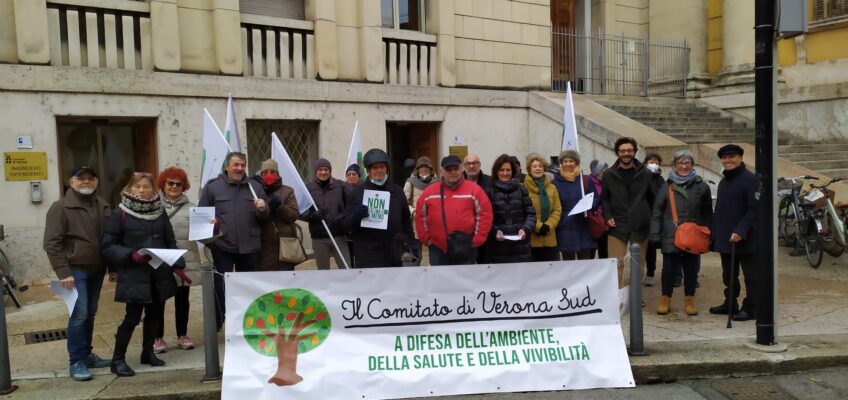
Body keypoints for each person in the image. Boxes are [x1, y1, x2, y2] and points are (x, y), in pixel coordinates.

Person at [101, 173, 186, 377]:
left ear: (153, 190)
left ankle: (147, 353)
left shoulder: (159, 211)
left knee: (155, 315)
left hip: (158, 272)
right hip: (134, 273)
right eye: (137, 187)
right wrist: (130, 254)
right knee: (132, 317)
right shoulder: (120, 212)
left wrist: (176, 260)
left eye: (145, 187)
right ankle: (117, 360)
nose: (141, 190)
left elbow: (169, 239)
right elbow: (108, 245)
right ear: (130, 189)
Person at [43, 166, 113, 381]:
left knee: (90, 312)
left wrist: (114, 267)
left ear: (97, 181)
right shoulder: (60, 207)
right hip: (75, 270)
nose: (86, 182)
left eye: (90, 178)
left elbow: (110, 239)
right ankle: (76, 361)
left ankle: (86, 353)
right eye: (80, 178)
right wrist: (64, 272)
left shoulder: (102, 204)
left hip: (97, 268)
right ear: (71, 183)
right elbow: (51, 243)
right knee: (79, 314)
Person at [198, 152, 269, 329]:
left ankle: (248, 323)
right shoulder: (213, 187)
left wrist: (263, 208)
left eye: (242, 165)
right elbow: (201, 216)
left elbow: (265, 216)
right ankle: (217, 322)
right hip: (223, 246)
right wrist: (210, 237)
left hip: (250, 246)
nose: (239, 168)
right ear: (227, 166)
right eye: (236, 165)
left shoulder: (255, 187)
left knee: (248, 287)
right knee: (221, 287)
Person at [649, 151, 713, 316]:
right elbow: (657, 213)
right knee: (668, 270)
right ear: (674, 166)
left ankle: (689, 301)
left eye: (687, 163)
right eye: (680, 163)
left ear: (692, 165)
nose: (684, 166)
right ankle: (665, 300)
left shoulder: (702, 187)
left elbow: (707, 214)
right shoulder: (666, 186)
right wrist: (655, 235)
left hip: (693, 236)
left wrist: (708, 234)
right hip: (671, 234)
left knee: (691, 270)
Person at [152, 167, 200, 354]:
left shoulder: (193, 209)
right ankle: (158, 338)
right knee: (159, 300)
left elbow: (205, 238)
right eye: (170, 183)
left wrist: (213, 229)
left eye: (178, 184)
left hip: (183, 261)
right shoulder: (153, 206)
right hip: (160, 261)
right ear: (163, 184)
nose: (173, 187)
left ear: (184, 186)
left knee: (182, 300)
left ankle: (182, 335)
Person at [341, 148, 415, 267]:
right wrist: (356, 216)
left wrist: (411, 244)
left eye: (382, 167)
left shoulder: (397, 191)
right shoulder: (358, 192)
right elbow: (344, 224)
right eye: (375, 168)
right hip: (367, 255)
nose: (379, 170)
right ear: (368, 171)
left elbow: (406, 220)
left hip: (393, 254)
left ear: (387, 169)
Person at [709, 144, 758, 321]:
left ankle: (752, 307)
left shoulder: (750, 179)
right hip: (726, 238)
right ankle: (730, 303)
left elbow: (754, 209)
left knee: (751, 276)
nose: (728, 160)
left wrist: (740, 230)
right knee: (729, 275)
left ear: (740, 158)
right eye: (725, 158)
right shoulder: (724, 181)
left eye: (732, 157)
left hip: (746, 238)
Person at [416, 155, 494, 265]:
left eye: (456, 169)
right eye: (449, 169)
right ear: (442, 171)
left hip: (466, 248)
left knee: (465, 280)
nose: (453, 172)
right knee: (440, 280)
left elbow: (485, 215)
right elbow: (420, 215)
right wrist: (426, 239)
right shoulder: (429, 192)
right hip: (437, 248)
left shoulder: (475, 190)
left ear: (462, 169)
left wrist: (477, 240)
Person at [602, 137, 654, 287]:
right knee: (616, 264)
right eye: (623, 150)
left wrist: (648, 218)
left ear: (635, 152)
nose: (626, 153)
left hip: (640, 225)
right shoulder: (609, 174)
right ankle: (617, 297)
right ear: (617, 152)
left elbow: (652, 198)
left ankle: (635, 298)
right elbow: (604, 199)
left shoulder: (645, 173)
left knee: (638, 266)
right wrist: (608, 216)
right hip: (617, 225)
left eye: (629, 150)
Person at [300, 158, 352, 269]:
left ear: (330, 171)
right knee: (323, 272)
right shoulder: (308, 188)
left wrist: (342, 217)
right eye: (320, 170)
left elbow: (352, 203)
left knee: (346, 268)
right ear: (315, 172)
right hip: (319, 238)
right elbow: (299, 211)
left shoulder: (340, 186)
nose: (323, 172)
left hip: (338, 235)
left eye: (326, 169)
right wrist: (312, 216)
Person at [486, 154, 535, 263]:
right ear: (496, 171)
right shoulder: (489, 191)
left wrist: (525, 229)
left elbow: (531, 214)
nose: (505, 173)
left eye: (508, 170)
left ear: (513, 171)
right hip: (498, 248)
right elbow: (486, 218)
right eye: (502, 170)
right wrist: (495, 231)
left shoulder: (522, 189)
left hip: (521, 247)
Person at [253, 159, 301, 271]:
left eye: (272, 172)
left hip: (285, 245)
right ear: (261, 175)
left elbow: (293, 216)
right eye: (265, 172)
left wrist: (279, 206)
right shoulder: (256, 191)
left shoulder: (288, 191)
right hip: (263, 247)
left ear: (278, 174)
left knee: (286, 282)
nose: (269, 175)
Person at [552, 150, 600, 260]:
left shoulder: (585, 180)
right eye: (565, 161)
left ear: (576, 162)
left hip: (584, 224)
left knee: (585, 262)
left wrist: (588, 205)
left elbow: (596, 198)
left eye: (571, 161)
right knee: (569, 264)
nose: (568, 164)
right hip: (565, 226)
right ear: (561, 163)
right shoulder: (555, 183)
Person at [524, 155, 562, 261]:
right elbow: (523, 211)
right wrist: (538, 227)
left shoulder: (552, 188)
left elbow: (557, 210)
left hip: (550, 238)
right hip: (531, 240)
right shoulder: (522, 188)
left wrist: (548, 226)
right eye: (534, 166)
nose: (537, 168)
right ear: (529, 170)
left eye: (540, 166)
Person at [404, 156, 438, 263]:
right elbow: (404, 201)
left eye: (427, 166)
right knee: (417, 254)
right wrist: (413, 211)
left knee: (434, 253)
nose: (424, 169)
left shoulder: (437, 182)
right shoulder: (410, 182)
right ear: (417, 168)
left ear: (431, 168)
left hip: (433, 222)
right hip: (416, 222)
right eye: (422, 166)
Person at [643, 153, 664, 287]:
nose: (654, 164)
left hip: (654, 218)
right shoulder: (640, 177)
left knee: (651, 248)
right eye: (651, 161)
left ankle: (650, 273)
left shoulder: (660, 180)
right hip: (641, 217)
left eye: (656, 162)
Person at [588, 160, 609, 258]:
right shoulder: (587, 183)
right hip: (593, 222)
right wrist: (601, 197)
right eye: (604, 171)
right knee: (590, 253)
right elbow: (589, 204)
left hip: (605, 223)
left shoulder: (606, 183)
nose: (606, 173)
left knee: (604, 252)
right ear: (597, 172)